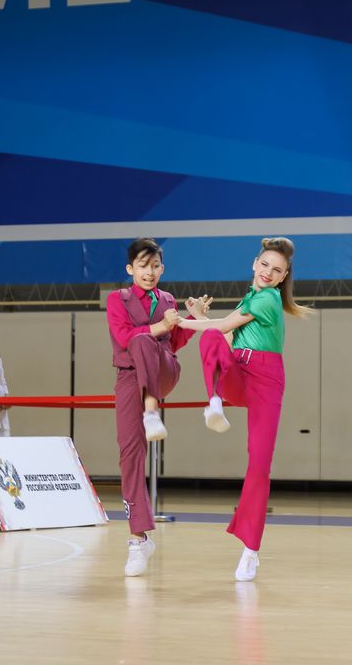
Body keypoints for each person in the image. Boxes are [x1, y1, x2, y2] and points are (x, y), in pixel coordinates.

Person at [176, 237, 311, 582]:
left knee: (259, 464)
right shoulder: (249, 299)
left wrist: (182, 322)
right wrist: (200, 318)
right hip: (239, 369)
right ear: (254, 263)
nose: (268, 273)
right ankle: (215, 402)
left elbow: (223, 326)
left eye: (277, 270)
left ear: (283, 277)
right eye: (265, 264)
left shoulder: (267, 299)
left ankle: (251, 550)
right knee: (210, 338)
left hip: (266, 380)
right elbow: (224, 337)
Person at [106, 237, 211, 577]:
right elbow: (124, 337)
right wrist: (162, 326)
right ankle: (138, 539)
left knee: (143, 339)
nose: (149, 272)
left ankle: (152, 409)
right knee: (129, 454)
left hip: (164, 369)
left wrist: (193, 319)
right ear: (130, 269)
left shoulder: (167, 299)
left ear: (162, 268)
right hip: (128, 377)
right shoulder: (117, 299)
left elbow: (175, 341)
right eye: (142, 266)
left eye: (154, 266)